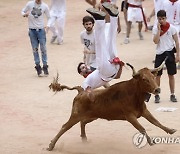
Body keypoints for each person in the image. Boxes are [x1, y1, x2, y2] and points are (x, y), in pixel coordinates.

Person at [82, 2, 124, 94]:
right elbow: (87, 89)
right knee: (102, 44)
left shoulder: (87, 81)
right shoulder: (87, 80)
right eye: (83, 69)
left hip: (113, 67)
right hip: (107, 70)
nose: (84, 68)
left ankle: (113, 16)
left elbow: (117, 77)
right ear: (83, 74)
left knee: (110, 42)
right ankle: (101, 19)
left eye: (83, 67)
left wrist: (119, 66)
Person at [153, 10, 179, 103]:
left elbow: (176, 41)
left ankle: (172, 94)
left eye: (163, 19)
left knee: (171, 74)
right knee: (157, 75)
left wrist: (178, 55)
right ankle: (157, 94)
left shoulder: (171, 28)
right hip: (160, 53)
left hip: (169, 52)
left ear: (166, 18)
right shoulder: (156, 29)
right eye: (159, 19)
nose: (161, 21)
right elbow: (155, 41)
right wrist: (159, 30)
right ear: (157, 19)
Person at [21, 0, 50, 76]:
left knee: (43, 48)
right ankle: (38, 66)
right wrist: (25, 14)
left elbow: (49, 17)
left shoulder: (45, 6)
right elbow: (22, 11)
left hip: (41, 30)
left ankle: (45, 65)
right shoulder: (30, 4)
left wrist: (48, 25)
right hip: (32, 30)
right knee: (35, 49)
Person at [162, 0, 180, 69]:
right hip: (167, 26)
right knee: (165, 45)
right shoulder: (165, 2)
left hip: (177, 26)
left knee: (178, 43)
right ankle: (165, 62)